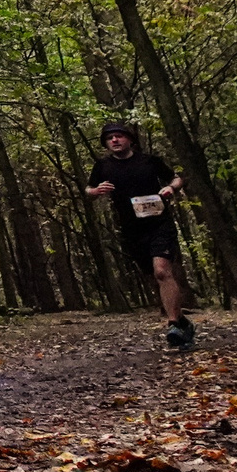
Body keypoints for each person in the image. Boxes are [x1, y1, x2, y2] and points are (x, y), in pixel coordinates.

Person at [85, 122, 194, 351]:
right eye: (110, 138)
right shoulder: (103, 166)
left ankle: (173, 324)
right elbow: (88, 190)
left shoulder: (149, 161)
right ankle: (183, 322)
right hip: (131, 229)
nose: (115, 141)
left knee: (162, 271)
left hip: (159, 223)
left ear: (130, 139)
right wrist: (95, 192)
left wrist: (170, 189)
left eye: (119, 136)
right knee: (153, 277)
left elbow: (177, 178)